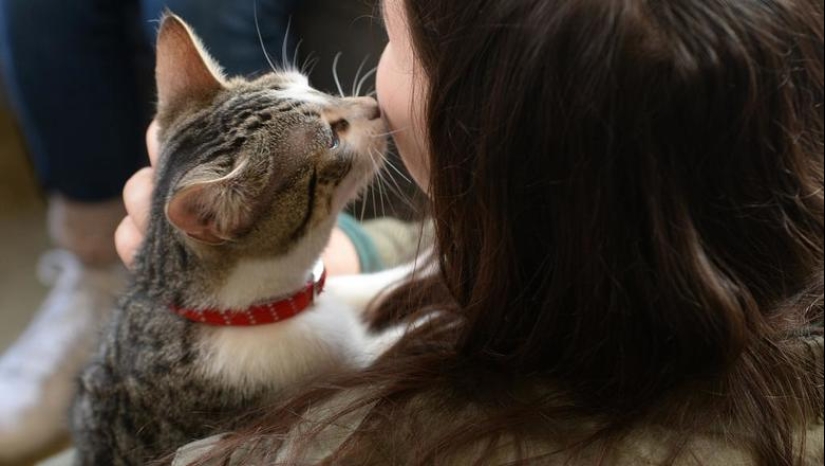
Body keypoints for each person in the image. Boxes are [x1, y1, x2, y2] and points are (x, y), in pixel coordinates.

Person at [121, 0, 825, 464]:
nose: (366, 89)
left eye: (391, 39)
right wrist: (353, 252)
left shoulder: (346, 446)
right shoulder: (721, 209)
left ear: (486, 132)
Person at [0, 0, 427, 462]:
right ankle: (91, 274)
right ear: (217, 219)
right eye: (333, 133)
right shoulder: (279, 367)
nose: (365, 105)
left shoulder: (244, 318)